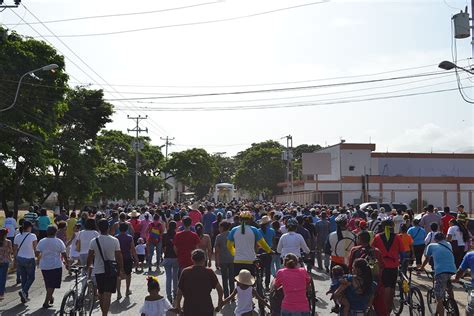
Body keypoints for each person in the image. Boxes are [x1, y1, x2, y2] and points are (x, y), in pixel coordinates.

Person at [87, 218, 124, 316]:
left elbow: (90, 256)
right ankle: (104, 314)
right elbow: (119, 257)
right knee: (108, 294)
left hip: (98, 270)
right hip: (111, 270)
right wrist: (120, 270)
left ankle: (104, 313)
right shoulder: (115, 240)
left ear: (98, 228)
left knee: (101, 293)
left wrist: (88, 267)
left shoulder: (93, 241)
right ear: (108, 228)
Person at [174, 249, 224, 316]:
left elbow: (179, 292)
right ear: (204, 259)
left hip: (189, 308)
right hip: (206, 308)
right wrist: (219, 303)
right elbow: (220, 289)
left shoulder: (185, 271)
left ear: (192, 259)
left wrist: (178, 307)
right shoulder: (209, 272)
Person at [371, 218, 404, 316]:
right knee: (392, 287)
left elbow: (372, 251)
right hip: (394, 266)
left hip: (382, 266)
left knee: (384, 287)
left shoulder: (377, 237)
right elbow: (403, 253)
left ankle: (383, 310)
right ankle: (388, 310)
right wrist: (401, 262)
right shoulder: (398, 237)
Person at [227, 211, 272, 277]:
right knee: (251, 281)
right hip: (250, 260)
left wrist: (234, 253)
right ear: (250, 220)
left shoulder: (234, 230)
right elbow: (262, 243)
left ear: (240, 220)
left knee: (239, 281)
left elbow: (229, 245)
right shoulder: (254, 230)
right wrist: (269, 250)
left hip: (238, 260)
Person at [421, 232, 457, 316]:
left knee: (439, 298)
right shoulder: (448, 244)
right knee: (449, 288)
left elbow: (427, 258)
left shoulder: (431, 246)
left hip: (441, 271)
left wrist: (421, 268)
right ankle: (452, 305)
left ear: (435, 239)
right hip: (452, 270)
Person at [36, 225, 68, 309]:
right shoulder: (59, 241)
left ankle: (50, 297)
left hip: (44, 265)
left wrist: (41, 257)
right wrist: (67, 263)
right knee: (52, 284)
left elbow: (37, 253)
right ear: (56, 232)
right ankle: (46, 301)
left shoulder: (42, 241)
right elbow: (64, 254)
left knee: (48, 283)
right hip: (55, 265)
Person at [14, 220, 38, 303]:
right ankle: (24, 291)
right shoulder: (33, 236)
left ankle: (24, 296)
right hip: (29, 259)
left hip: (20, 258)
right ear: (29, 227)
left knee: (24, 278)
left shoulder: (17, 236)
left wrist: (15, 261)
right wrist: (38, 257)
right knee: (31, 277)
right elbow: (36, 249)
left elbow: (15, 250)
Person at [116, 222, 139, 300]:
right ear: (127, 229)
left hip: (118, 259)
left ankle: (118, 293)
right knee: (128, 274)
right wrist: (136, 259)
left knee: (118, 275)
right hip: (127, 257)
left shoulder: (116, 238)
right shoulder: (129, 238)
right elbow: (133, 249)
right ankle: (127, 290)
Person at [215, 221, 235, 298]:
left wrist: (217, 261)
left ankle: (226, 295)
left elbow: (217, 251)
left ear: (222, 227)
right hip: (232, 259)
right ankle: (232, 295)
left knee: (224, 278)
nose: (219, 228)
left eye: (219, 227)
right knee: (231, 278)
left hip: (223, 260)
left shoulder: (219, 237)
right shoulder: (233, 235)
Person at [161, 220, 179, 303]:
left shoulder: (165, 235)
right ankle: (175, 293)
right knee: (175, 277)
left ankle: (169, 296)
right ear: (175, 227)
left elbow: (163, 247)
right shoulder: (177, 235)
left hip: (167, 258)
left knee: (168, 278)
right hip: (175, 258)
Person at [257, 215, 275, 290]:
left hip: (260, 251)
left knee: (260, 268)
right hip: (269, 251)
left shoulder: (258, 231)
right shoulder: (272, 231)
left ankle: (259, 282)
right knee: (268, 269)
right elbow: (273, 242)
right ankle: (267, 285)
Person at [0, 228, 13, 300]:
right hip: (5, 261)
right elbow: (10, 251)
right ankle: (1, 293)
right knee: (3, 278)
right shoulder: (8, 242)